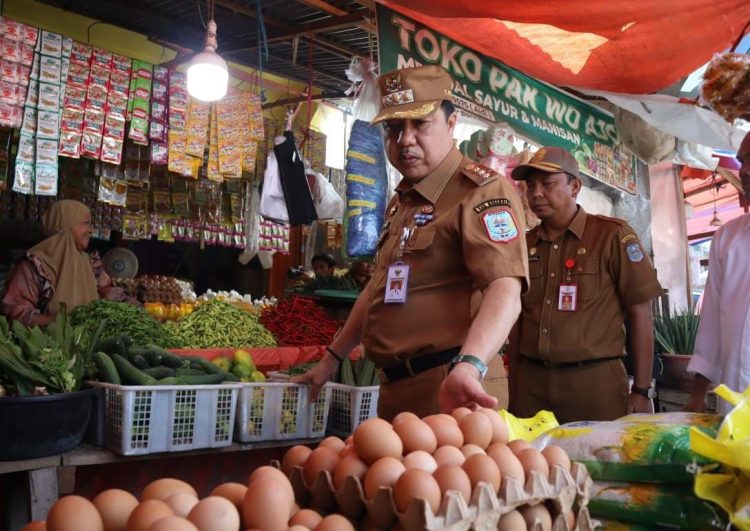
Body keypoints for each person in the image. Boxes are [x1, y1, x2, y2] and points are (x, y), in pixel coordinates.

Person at [295, 65, 529, 419]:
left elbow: (505, 289)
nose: (405, 139)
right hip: (396, 388)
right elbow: (378, 286)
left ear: (452, 124)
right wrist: (332, 357)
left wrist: (470, 365)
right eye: (394, 128)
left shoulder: (480, 192)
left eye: (420, 124)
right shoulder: (403, 199)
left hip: (454, 388)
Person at [506, 147, 663, 423]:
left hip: (594, 386)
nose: (536, 193)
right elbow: (516, 323)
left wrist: (642, 389)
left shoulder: (611, 236)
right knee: (531, 465)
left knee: (598, 464)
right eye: (530, 185)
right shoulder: (523, 246)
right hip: (532, 386)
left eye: (548, 183)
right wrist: (515, 390)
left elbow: (640, 313)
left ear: (575, 186)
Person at [685, 131, 750, 414]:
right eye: (742, 161)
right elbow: (711, 323)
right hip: (734, 407)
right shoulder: (728, 238)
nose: (744, 170)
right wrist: (697, 397)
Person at [1, 200, 130, 327]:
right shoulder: (34, 267)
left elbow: (115, 297)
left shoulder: (92, 265)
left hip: (88, 345)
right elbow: (16, 315)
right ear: (65, 225)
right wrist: (65, 323)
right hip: (47, 346)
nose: (91, 230)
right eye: (86, 223)